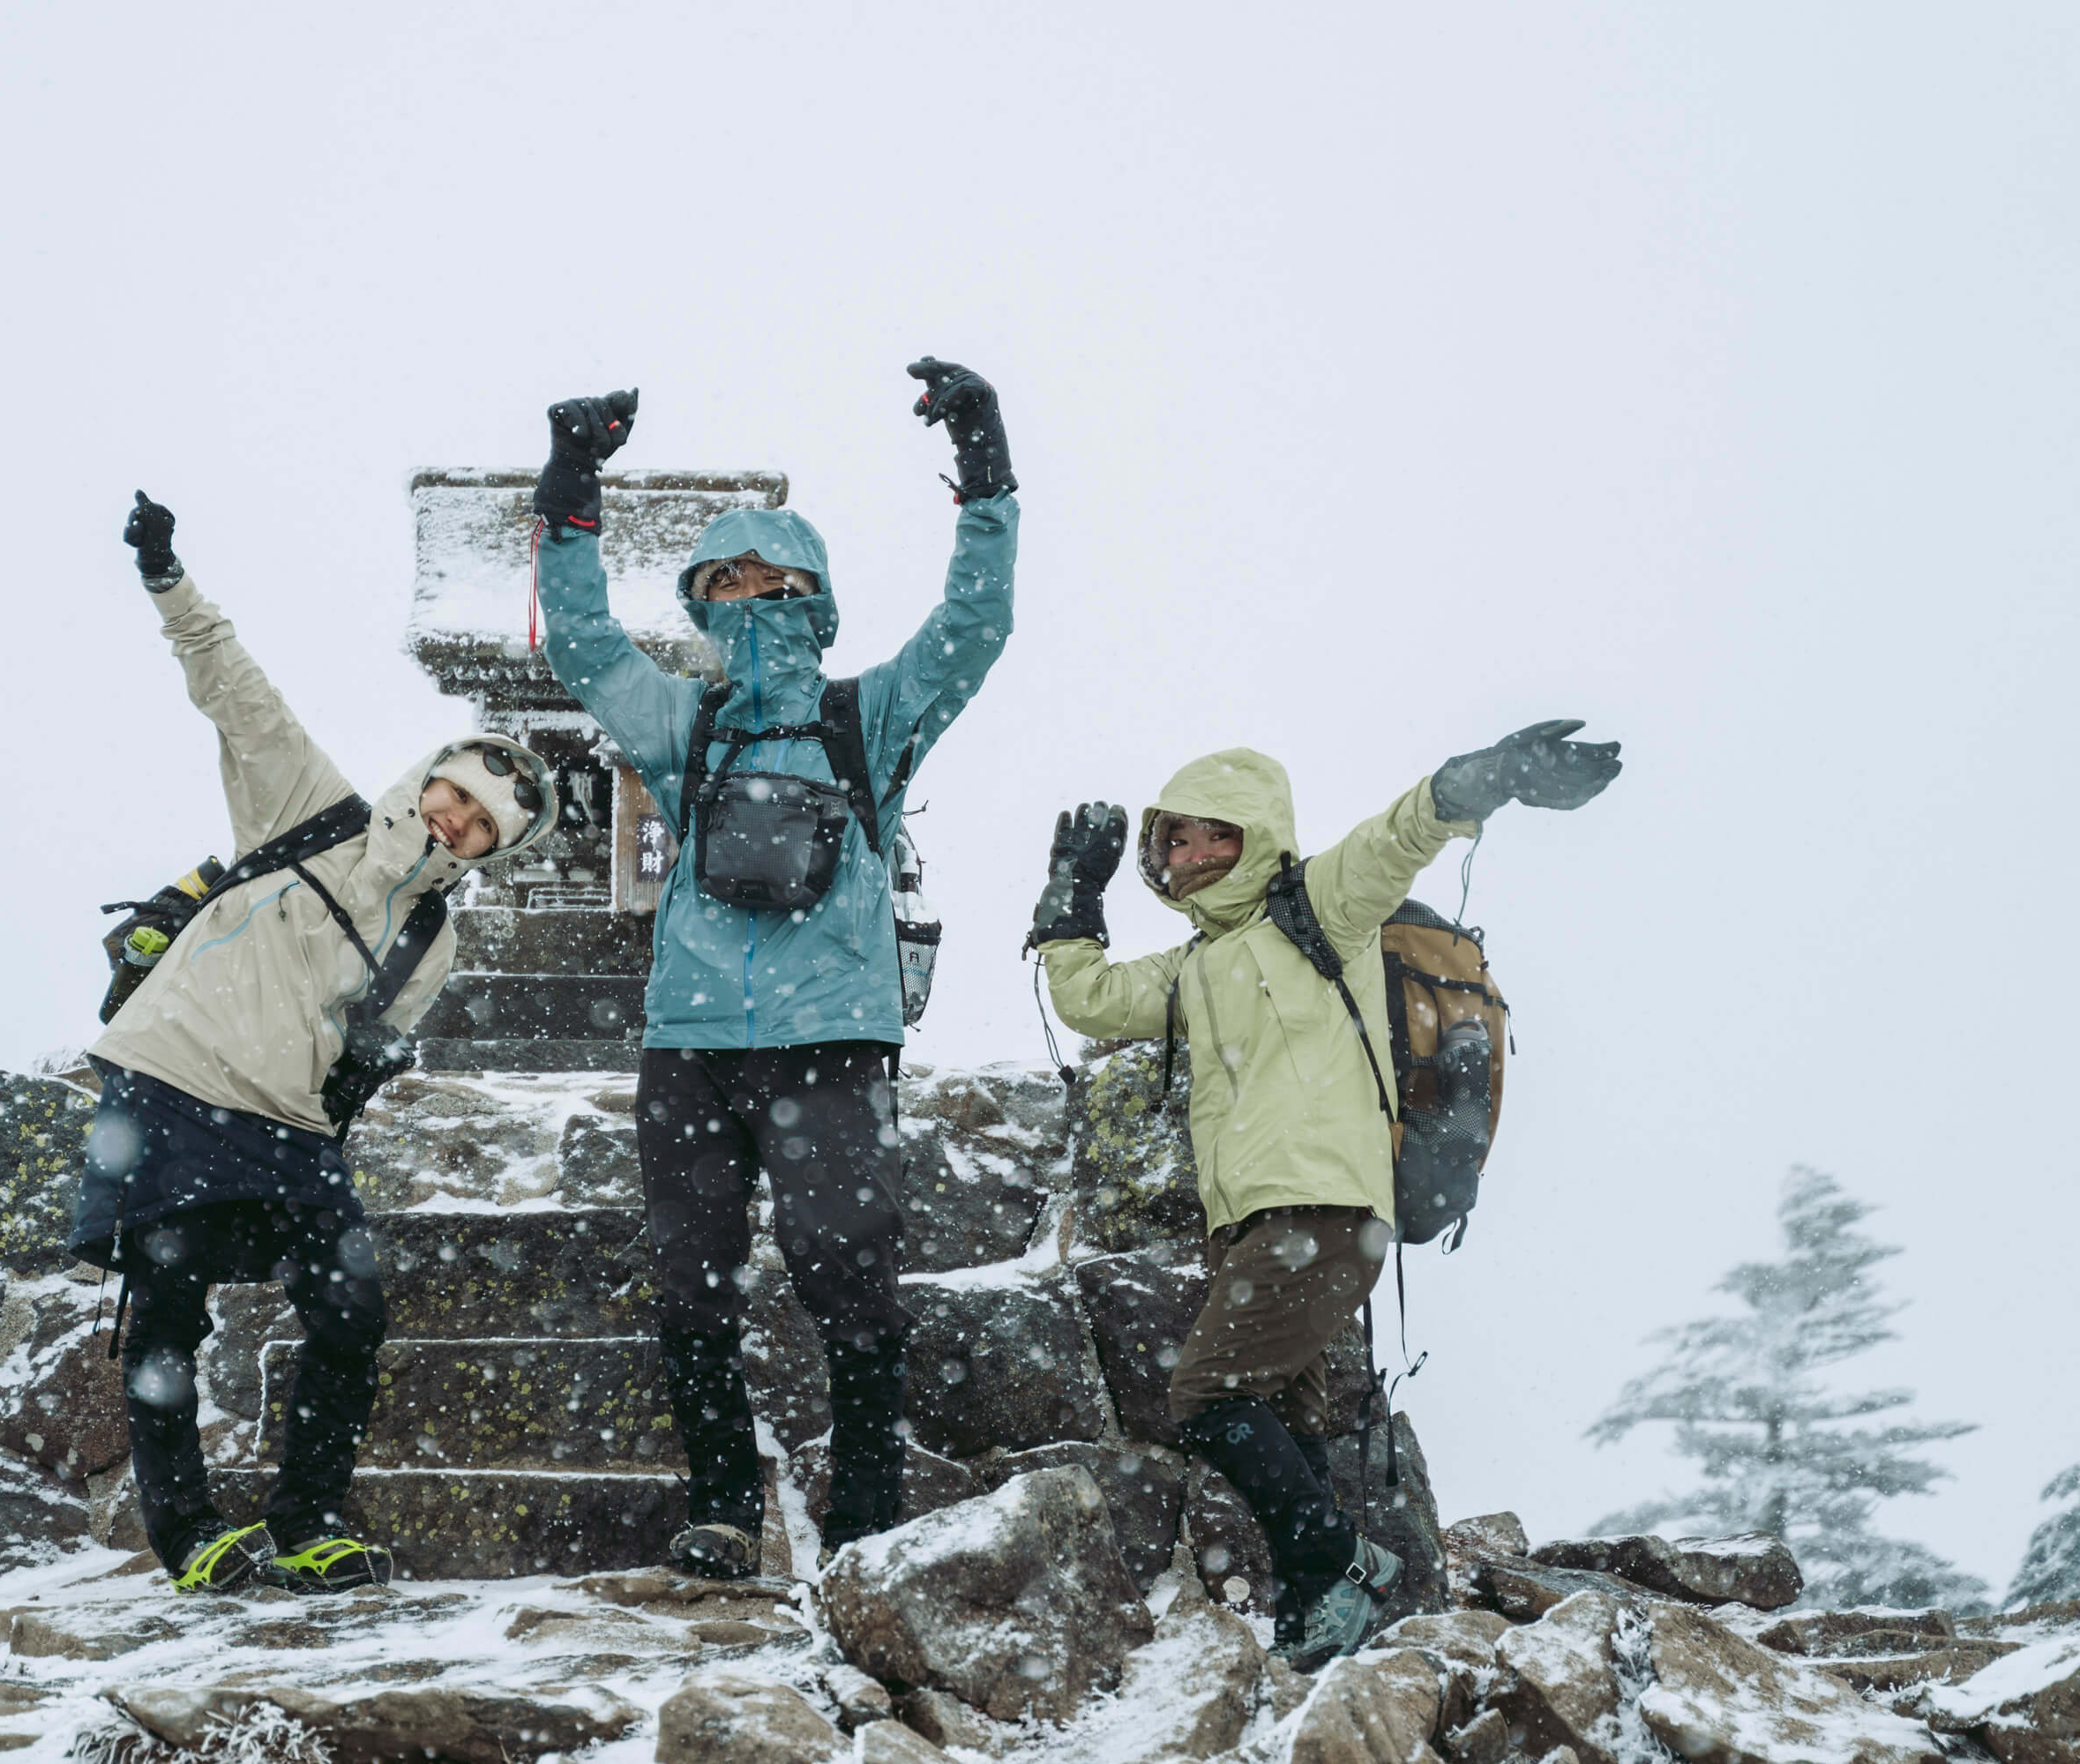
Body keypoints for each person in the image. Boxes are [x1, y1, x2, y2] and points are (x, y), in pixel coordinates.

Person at [530, 363, 1020, 1578]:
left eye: (769, 576)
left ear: (813, 594)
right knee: (691, 1292)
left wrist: (987, 468)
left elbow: (977, 625)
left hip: (831, 1039)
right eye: (723, 580)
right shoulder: (683, 724)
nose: (747, 594)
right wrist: (572, 487)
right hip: (688, 1043)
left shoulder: (872, 718)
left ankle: (861, 1517)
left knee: (848, 1288)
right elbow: (584, 643)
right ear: (704, 601)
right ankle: (723, 1509)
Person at [1028, 721, 1621, 1664]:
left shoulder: (1321, 907)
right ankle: (1323, 1609)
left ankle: (1345, 1561)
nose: (1179, 855)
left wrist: (1488, 775)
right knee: (1287, 1417)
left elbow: (1402, 830)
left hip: (1324, 1208)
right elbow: (1090, 998)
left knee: (1207, 1398)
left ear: (1248, 834)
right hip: (1249, 1221)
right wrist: (1071, 894)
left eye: (1199, 833)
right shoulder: (1191, 967)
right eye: (1167, 839)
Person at [68, 491, 559, 1596]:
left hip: (284, 1119)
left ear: (489, 850)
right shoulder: (313, 806)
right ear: (429, 775)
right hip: (176, 1074)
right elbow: (232, 684)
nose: (457, 823)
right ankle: (190, 1536)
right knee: (169, 1308)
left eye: (483, 826)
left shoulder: (429, 936)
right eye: (457, 795)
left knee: (352, 1307)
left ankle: (309, 1517)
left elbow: (362, 1045)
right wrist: (165, 573)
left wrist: (361, 1072)